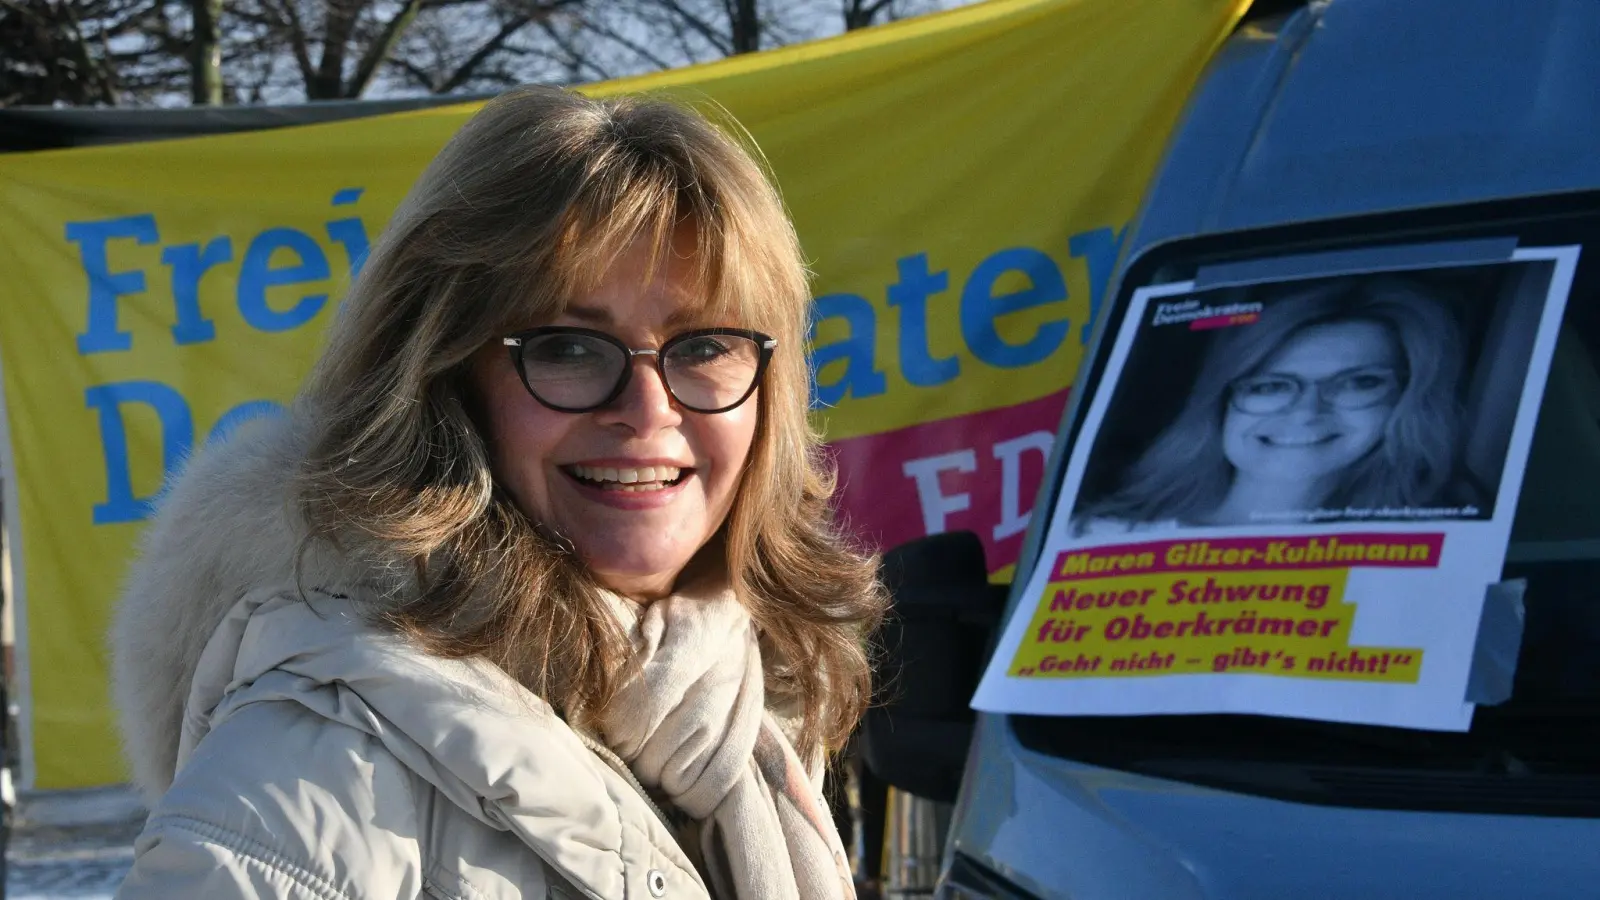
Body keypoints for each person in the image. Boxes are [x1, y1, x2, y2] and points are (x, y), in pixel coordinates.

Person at [110, 86, 886, 900]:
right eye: (569, 349)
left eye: (705, 346)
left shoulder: (733, 709)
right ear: (444, 378)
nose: (649, 411)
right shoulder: (318, 758)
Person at [1077, 275, 1481, 532]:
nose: (1306, 412)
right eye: (1269, 387)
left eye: (1360, 382)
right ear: (1222, 402)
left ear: (1407, 402)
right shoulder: (1094, 537)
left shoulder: (1431, 546)